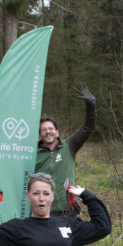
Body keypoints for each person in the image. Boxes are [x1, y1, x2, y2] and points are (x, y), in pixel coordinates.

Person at [37, 84, 97, 215]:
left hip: (68, 209)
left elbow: (88, 127)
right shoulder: (32, 154)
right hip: (44, 212)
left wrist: (91, 105)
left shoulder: (69, 146)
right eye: (44, 130)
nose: (48, 132)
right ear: (40, 134)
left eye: (51, 128)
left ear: (57, 132)